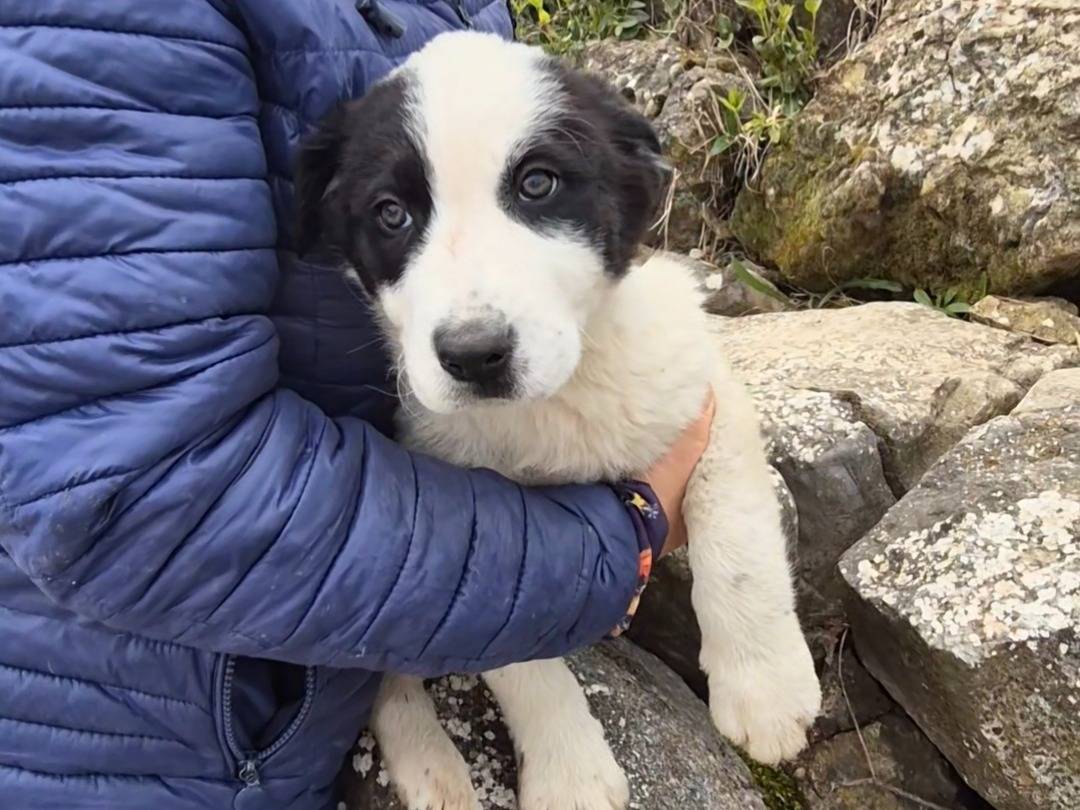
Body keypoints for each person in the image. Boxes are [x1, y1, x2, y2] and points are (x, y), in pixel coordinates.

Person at [0, 2, 713, 808]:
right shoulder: (98, 25)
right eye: (392, 214)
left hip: (314, 701)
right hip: (138, 749)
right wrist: (621, 538)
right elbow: (133, 493)